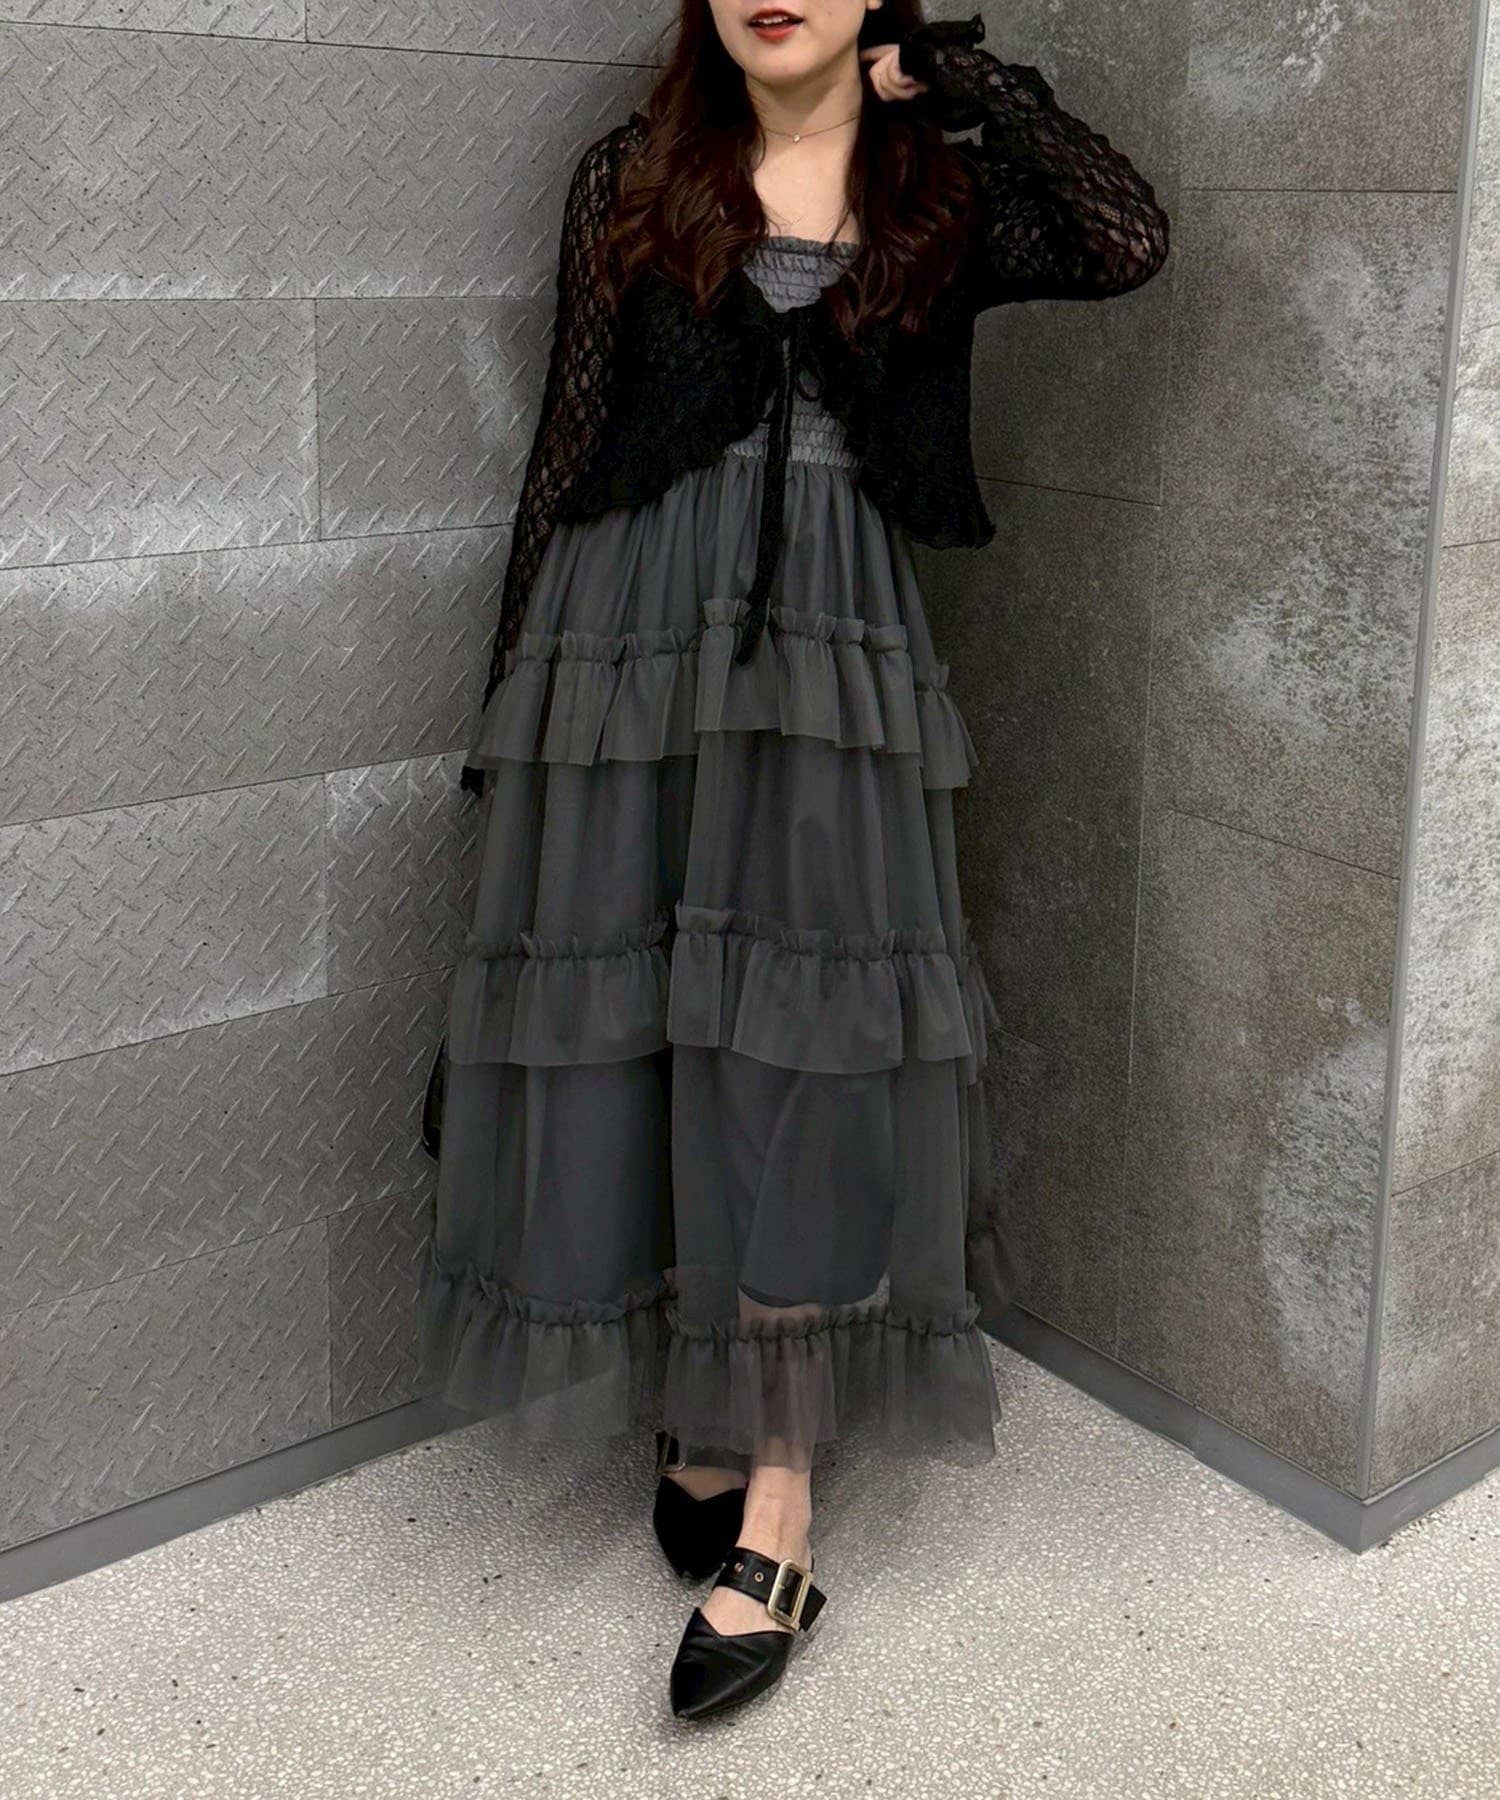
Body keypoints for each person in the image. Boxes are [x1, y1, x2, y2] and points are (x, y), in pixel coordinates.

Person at [417, 0, 1169, 1722]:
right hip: (623, 637)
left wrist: (960, 80)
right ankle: (702, 1401)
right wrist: (515, 708)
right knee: (651, 1029)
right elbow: (564, 447)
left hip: (830, 654)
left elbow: (1127, 237)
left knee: (808, 1055)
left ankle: (781, 1496)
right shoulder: (633, 172)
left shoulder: (934, 192)